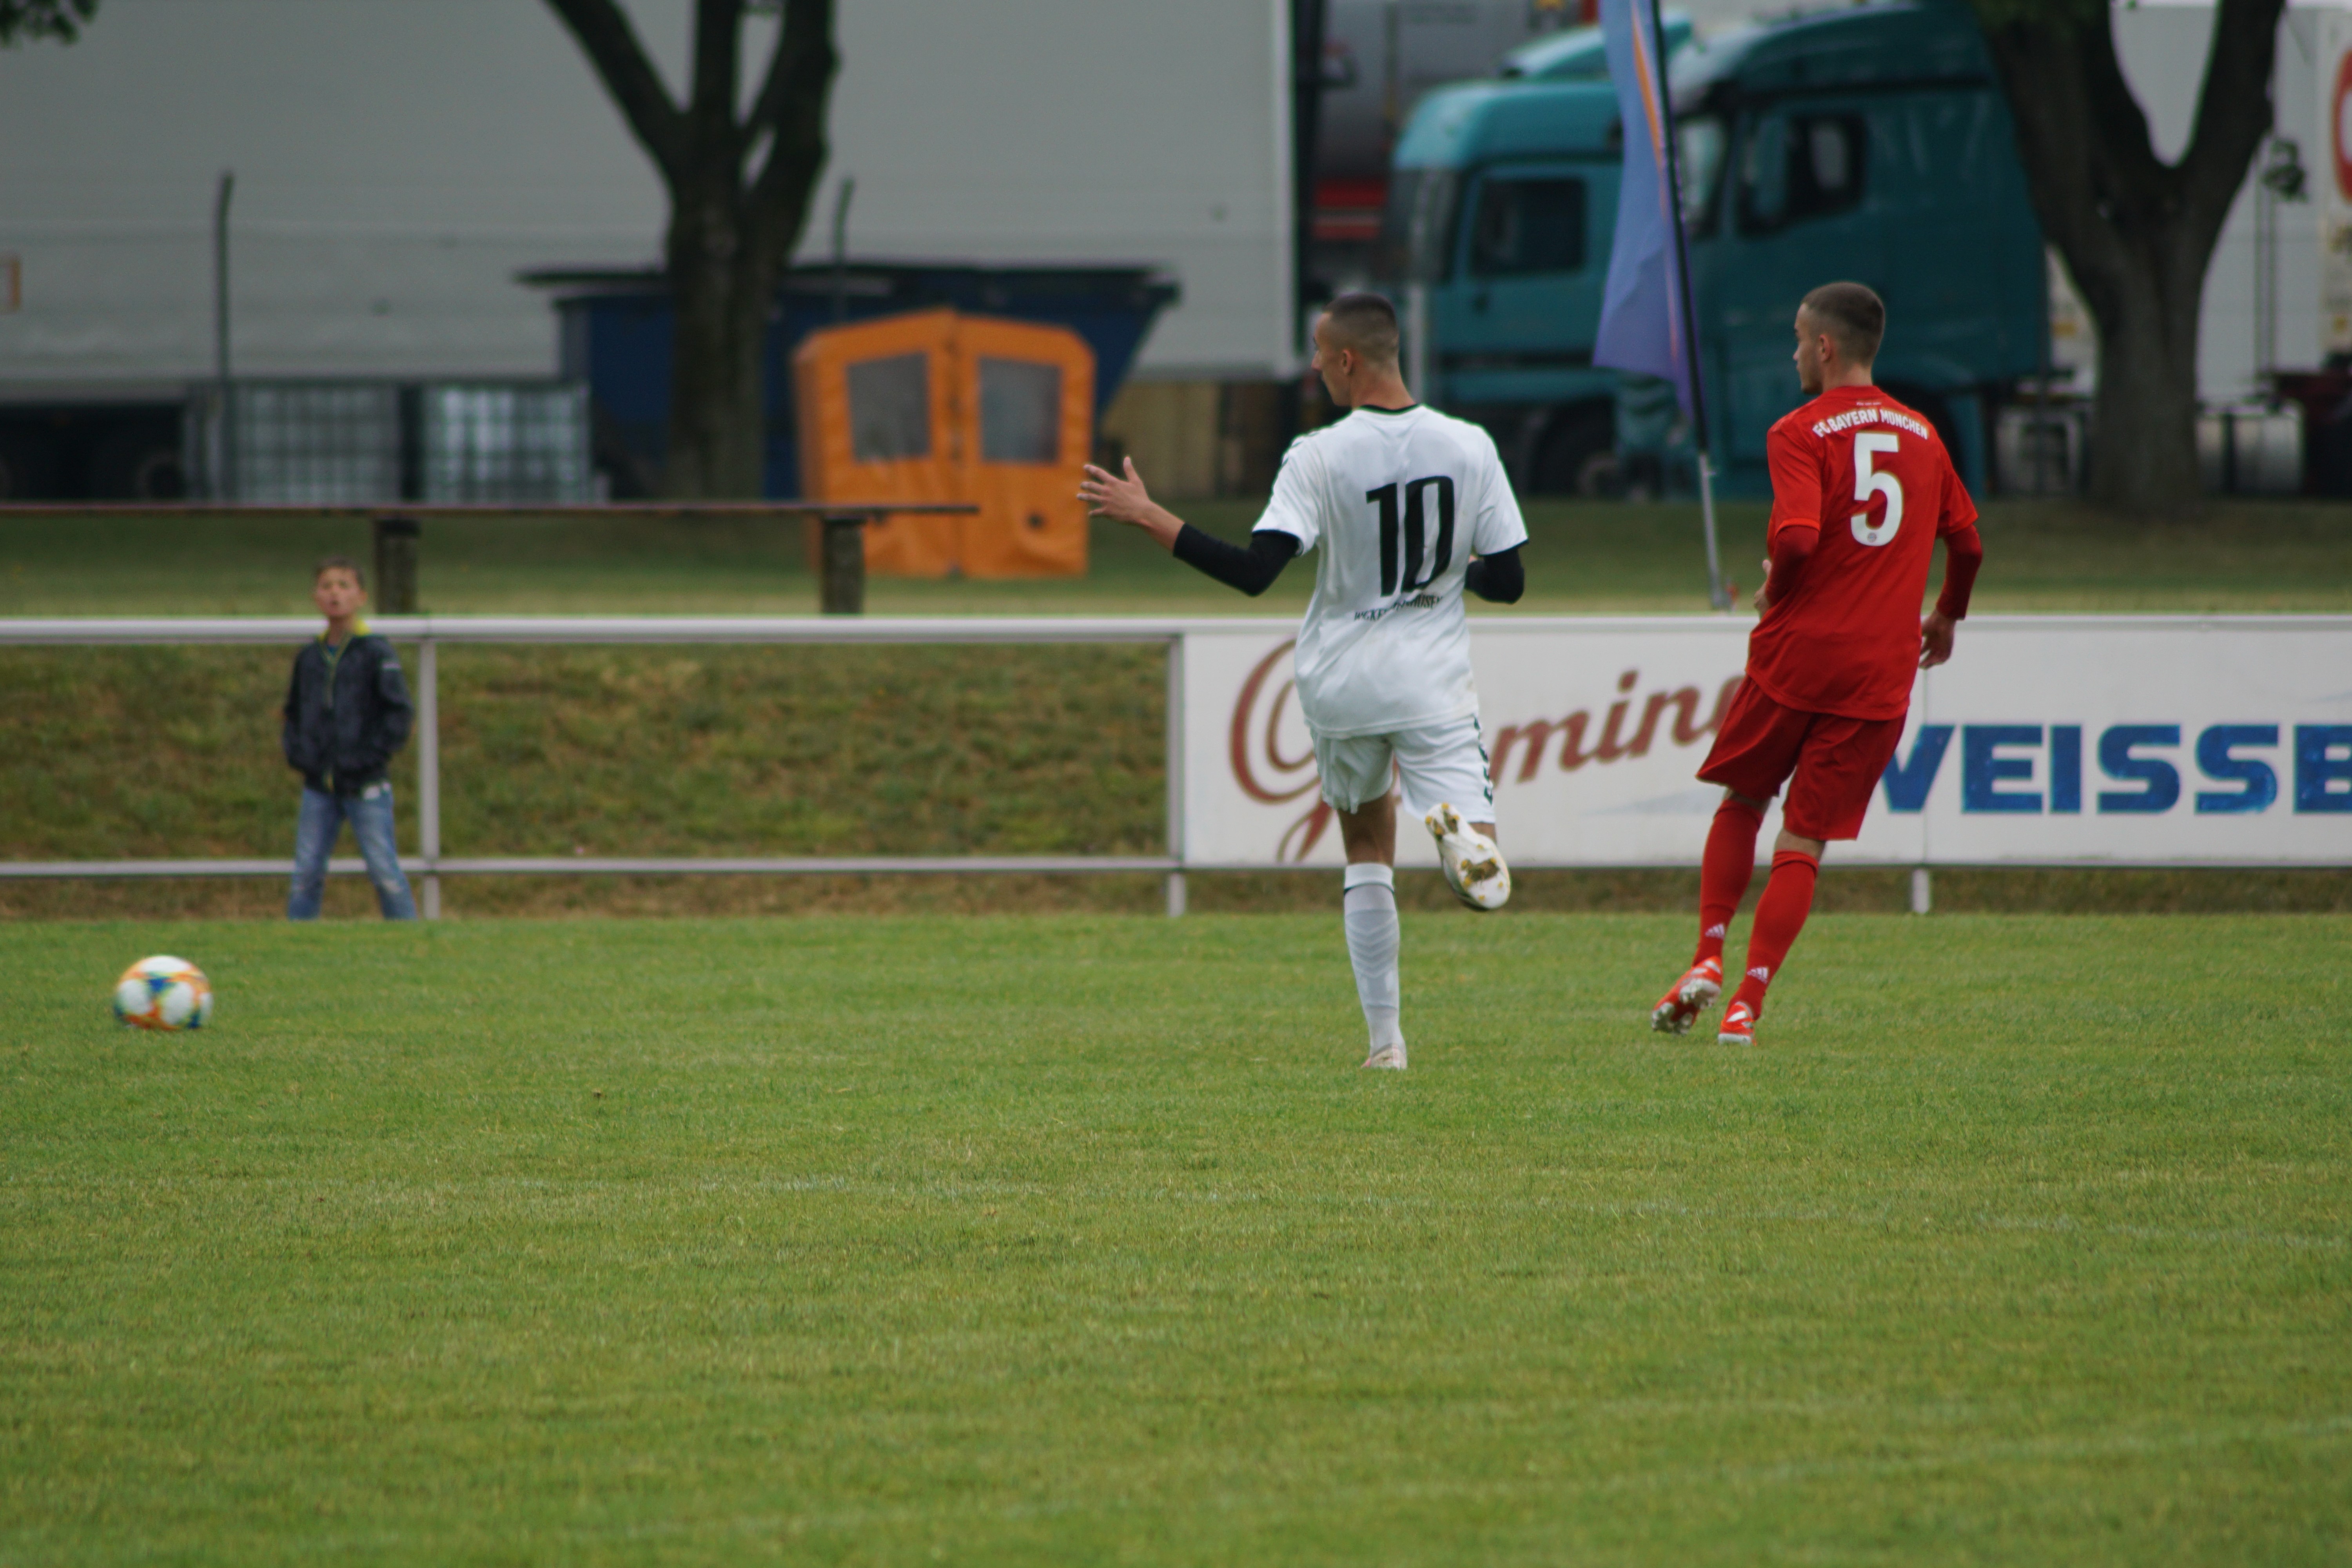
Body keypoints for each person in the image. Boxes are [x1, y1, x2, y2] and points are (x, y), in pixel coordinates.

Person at [1080, 291, 1527, 1070]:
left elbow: (1257, 572)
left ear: (1349, 361)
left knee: (1364, 849)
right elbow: (1512, 579)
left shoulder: (1318, 453)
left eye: (1320, 352)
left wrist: (1149, 514)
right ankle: (1462, 836)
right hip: (1432, 681)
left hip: (1344, 682)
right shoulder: (1470, 446)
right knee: (1473, 838)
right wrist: (1455, 573)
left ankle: (1386, 1043)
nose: (1314, 365)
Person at [1650, 281, 1984, 1045]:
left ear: (1826, 347)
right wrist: (1947, 615)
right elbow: (1967, 543)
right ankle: (1746, 1004)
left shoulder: (1800, 430)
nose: (1795, 351)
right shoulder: (1924, 435)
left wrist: (1777, 587)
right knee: (1804, 841)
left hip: (1798, 656)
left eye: (1800, 339)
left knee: (1744, 799)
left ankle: (1706, 956)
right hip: (1878, 671)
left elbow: (1797, 536)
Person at [282, 555, 418, 920]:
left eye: (344, 586)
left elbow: (399, 712)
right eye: (327, 586)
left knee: (384, 871)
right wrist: (300, 753)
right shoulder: (310, 656)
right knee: (306, 873)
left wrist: (368, 757)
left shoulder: (376, 652)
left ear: (361, 596)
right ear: (316, 596)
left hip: (365, 783)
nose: (335, 594)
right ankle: (298, 945)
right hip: (318, 784)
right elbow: (294, 710)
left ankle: (412, 941)